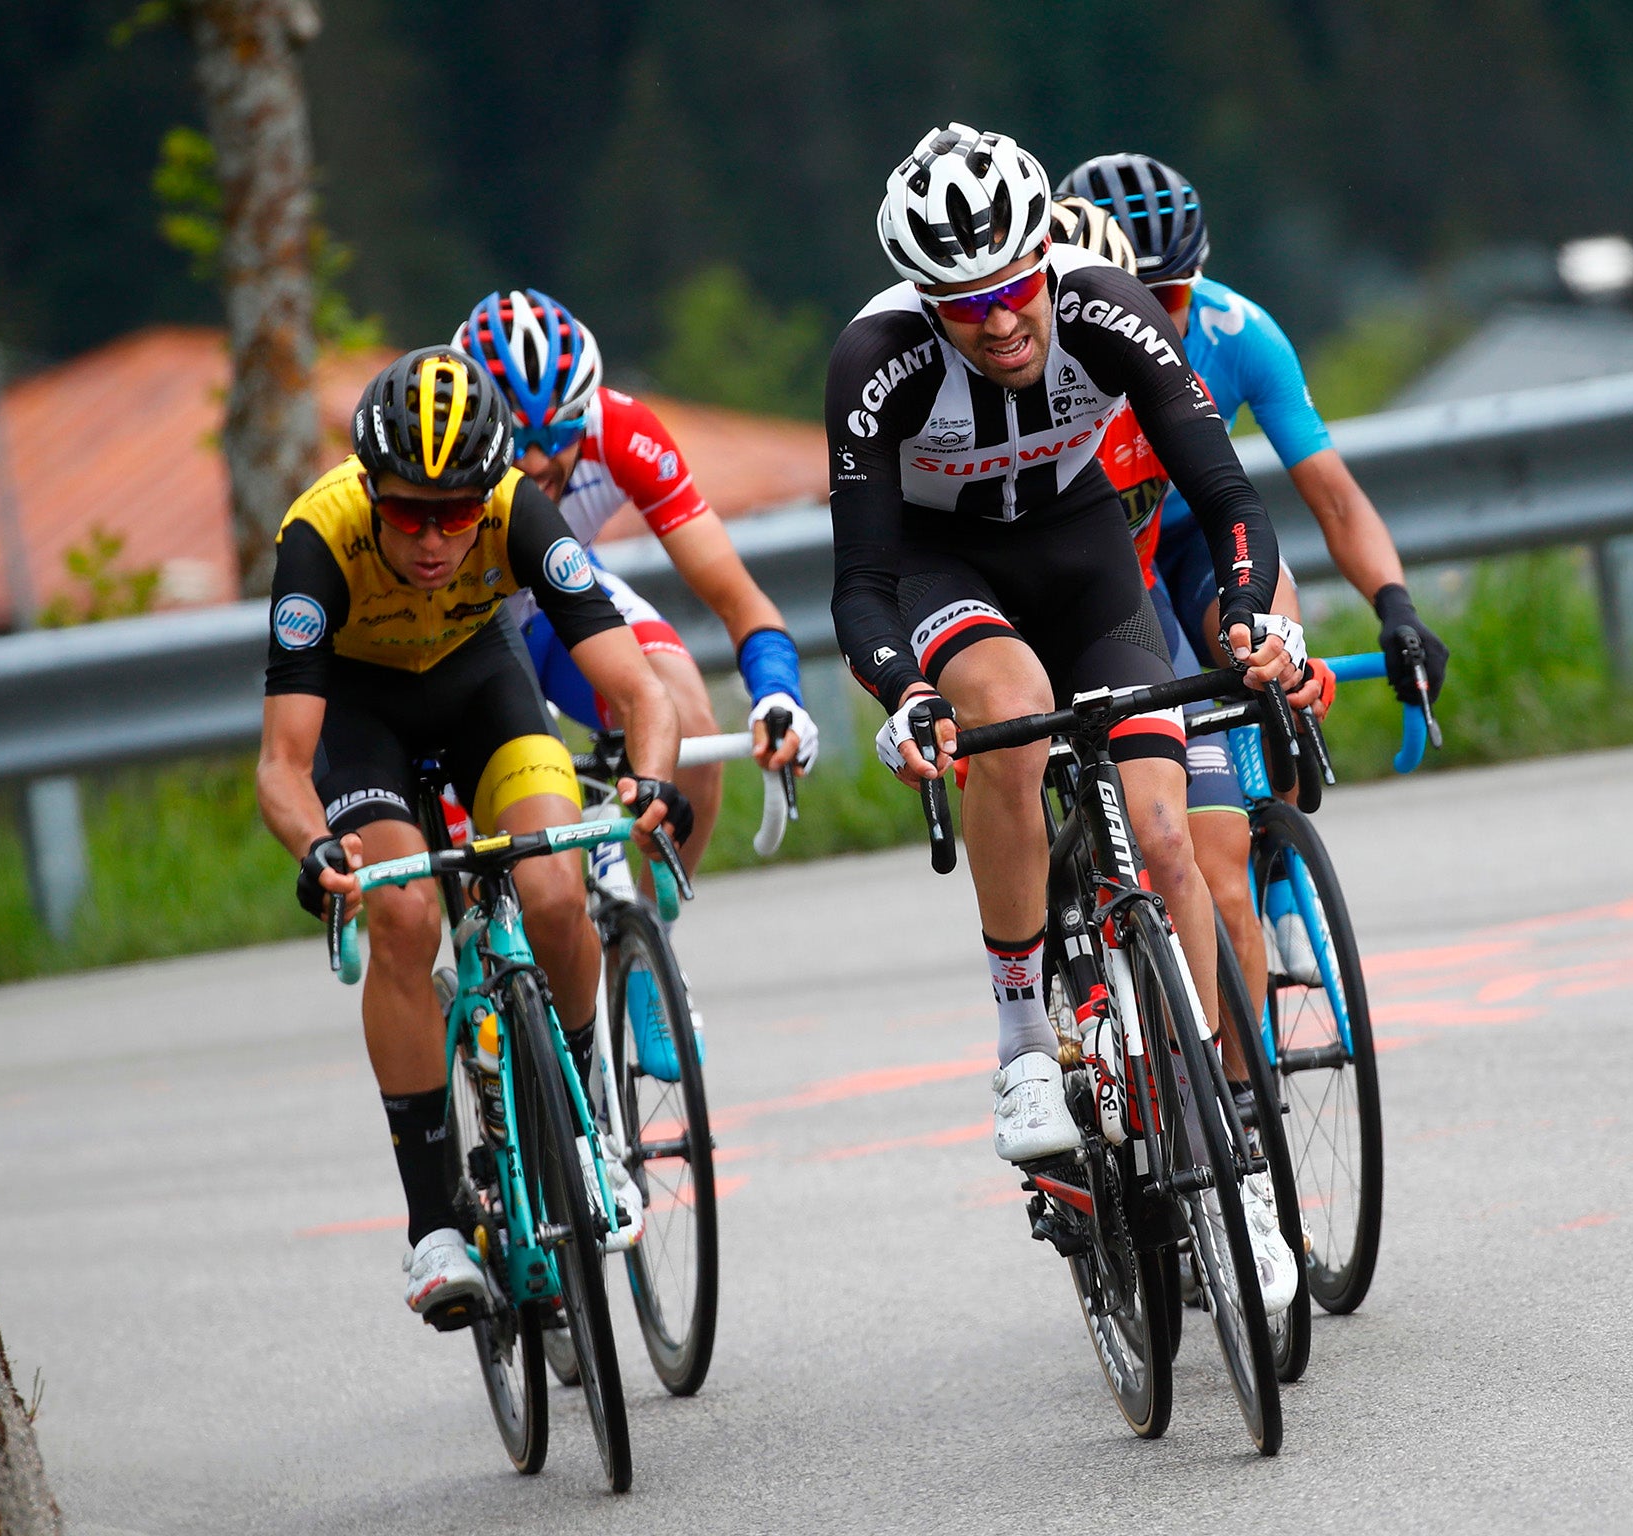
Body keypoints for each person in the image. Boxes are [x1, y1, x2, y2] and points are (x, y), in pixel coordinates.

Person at [827, 123, 1311, 1311]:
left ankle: (1225, 1150)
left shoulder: (1103, 305)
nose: (996, 322)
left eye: (1009, 290)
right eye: (962, 304)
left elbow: (1224, 492)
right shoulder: (875, 360)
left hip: (1083, 550)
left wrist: (1247, 612)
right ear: (923, 301)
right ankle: (1021, 1046)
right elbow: (861, 583)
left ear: (1042, 256)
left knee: (1166, 841)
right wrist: (908, 694)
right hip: (950, 571)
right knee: (1014, 711)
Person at [255, 345, 692, 1319]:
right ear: (370, 488)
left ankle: (581, 1140)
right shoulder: (317, 539)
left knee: (552, 884)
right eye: (409, 512)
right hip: (364, 720)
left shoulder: (514, 511)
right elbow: (282, 763)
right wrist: (314, 848)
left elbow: (636, 689)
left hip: (479, 688)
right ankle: (433, 1226)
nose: (433, 539)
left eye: (455, 514)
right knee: (403, 917)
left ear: (488, 491)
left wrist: (654, 776)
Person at [1058, 151, 1451, 1011]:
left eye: (1175, 299)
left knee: (1266, 637)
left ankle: (1274, 860)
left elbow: (1335, 500)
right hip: (1110, 553)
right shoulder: (1059, 357)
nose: (1160, 316)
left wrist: (1397, 609)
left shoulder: (1238, 333)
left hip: (1196, 529)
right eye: (1141, 295)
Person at [457, 290, 817, 874]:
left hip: (558, 607)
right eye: (515, 444)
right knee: (502, 865)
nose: (538, 463)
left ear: (586, 412)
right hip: (459, 636)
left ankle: (651, 938)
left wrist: (778, 693)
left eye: (558, 436)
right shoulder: (442, 460)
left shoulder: (621, 432)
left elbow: (738, 600)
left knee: (692, 731)